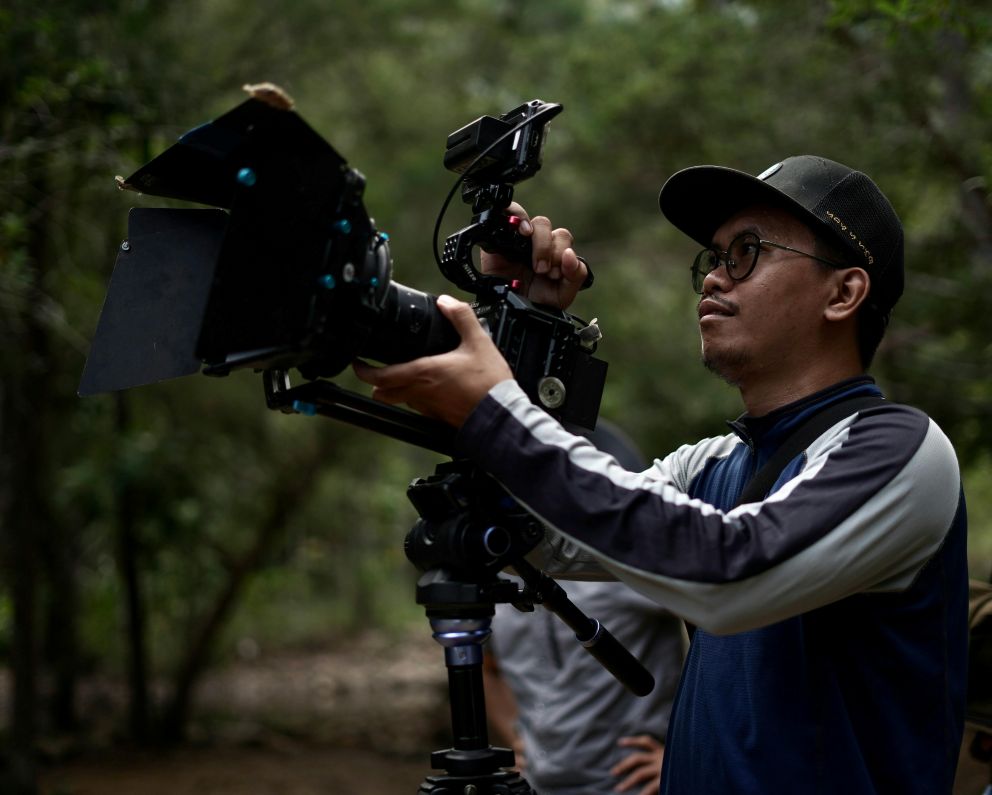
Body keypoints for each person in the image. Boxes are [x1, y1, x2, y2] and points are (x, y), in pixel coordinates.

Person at [355, 155, 969, 793]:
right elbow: (547, 535)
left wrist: (499, 414)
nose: (712, 279)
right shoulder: (712, 465)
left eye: (747, 252)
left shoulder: (904, 450)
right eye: (713, 257)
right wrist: (522, 334)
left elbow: (731, 575)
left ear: (843, 293)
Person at [484, 421, 686, 795]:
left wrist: (682, 755)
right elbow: (489, 668)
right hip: (537, 786)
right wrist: (515, 738)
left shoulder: (629, 567)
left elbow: (729, 648)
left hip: (629, 787)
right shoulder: (504, 575)